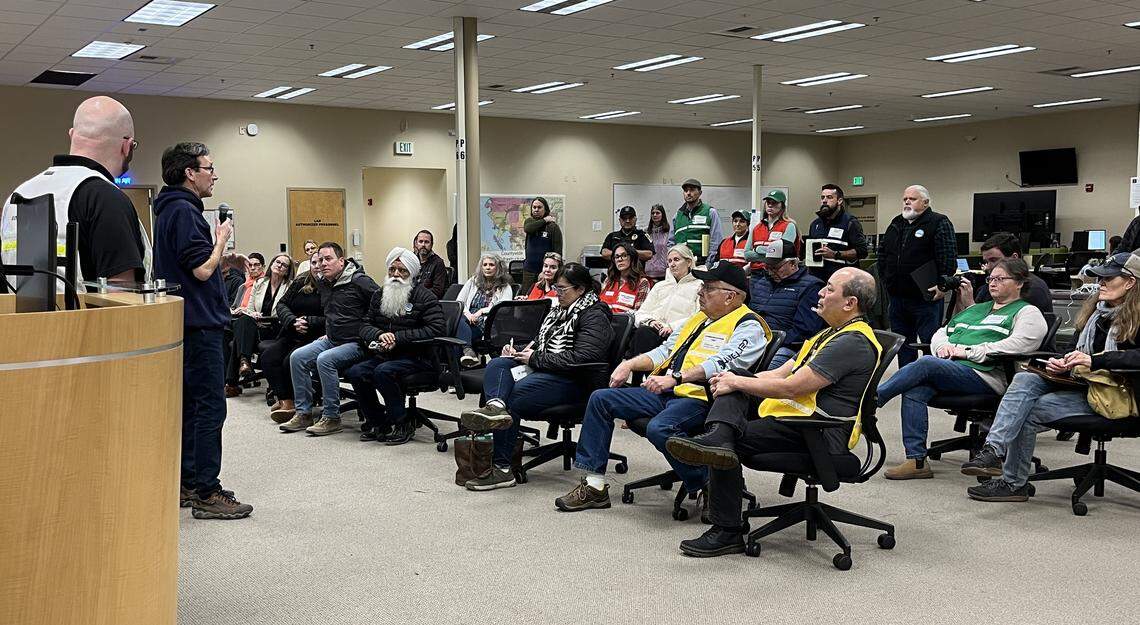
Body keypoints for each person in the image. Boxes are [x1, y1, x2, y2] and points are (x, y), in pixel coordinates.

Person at [666, 267, 881, 557]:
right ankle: (717, 435)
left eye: (829, 289)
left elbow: (792, 388)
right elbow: (779, 373)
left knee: (730, 442)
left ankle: (727, 530)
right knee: (739, 379)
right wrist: (736, 379)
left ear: (849, 303)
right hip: (795, 422)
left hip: (818, 432)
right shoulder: (830, 334)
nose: (820, 292)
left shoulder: (851, 342)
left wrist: (736, 381)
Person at [553, 261, 769, 511]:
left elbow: (722, 362)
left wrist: (676, 378)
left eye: (708, 288)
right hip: (669, 392)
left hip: (704, 399)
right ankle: (594, 486)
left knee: (659, 428)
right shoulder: (699, 319)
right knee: (602, 398)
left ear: (731, 296)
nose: (700, 293)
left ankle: (712, 482)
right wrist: (629, 365)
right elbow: (665, 351)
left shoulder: (749, 325)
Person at [961, 252, 1140, 502]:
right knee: (1025, 379)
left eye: (1109, 279)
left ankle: (1013, 482)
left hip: (1121, 396)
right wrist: (1064, 361)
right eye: (1100, 279)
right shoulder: (1096, 314)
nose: (1101, 284)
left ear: (1130, 282)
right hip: (1087, 387)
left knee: (1026, 409)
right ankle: (992, 450)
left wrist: (1095, 361)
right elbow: (1079, 351)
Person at [152, 141, 252, 520]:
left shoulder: (168, 210)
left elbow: (190, 266)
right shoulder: (187, 212)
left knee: (192, 409)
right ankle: (207, 492)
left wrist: (222, 259)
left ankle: (189, 482)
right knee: (210, 409)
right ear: (189, 173)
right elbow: (200, 271)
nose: (214, 175)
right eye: (209, 168)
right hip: (200, 328)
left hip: (184, 324)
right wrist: (222, 238)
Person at [876, 258, 1046, 480]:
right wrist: (944, 348)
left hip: (986, 376)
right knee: (915, 389)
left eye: (1000, 279)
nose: (992, 283)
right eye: (990, 279)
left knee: (926, 363)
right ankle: (916, 460)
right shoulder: (976, 309)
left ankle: (872, 399)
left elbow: (1021, 344)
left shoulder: (1027, 312)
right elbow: (941, 333)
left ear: (1020, 283)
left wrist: (966, 352)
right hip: (952, 370)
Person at [458, 263, 615, 491]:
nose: (557, 294)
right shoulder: (560, 311)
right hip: (548, 370)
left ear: (580, 289)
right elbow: (542, 345)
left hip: (576, 381)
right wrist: (520, 351)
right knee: (499, 364)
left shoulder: (594, 315)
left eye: (562, 289)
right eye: (555, 289)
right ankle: (495, 408)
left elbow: (582, 358)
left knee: (513, 395)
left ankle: (502, 469)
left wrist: (534, 359)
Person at [2, 95, 147, 286]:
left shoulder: (18, 195)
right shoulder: (107, 199)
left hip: (19, 316)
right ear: (127, 146)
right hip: (82, 315)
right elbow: (121, 292)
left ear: (72, 134)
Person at [344, 247, 446, 445]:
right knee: (356, 372)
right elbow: (365, 324)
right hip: (385, 355)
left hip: (418, 357)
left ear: (412, 274)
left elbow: (436, 330)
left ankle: (402, 422)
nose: (396, 275)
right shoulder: (380, 294)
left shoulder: (425, 297)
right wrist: (380, 334)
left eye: (402, 271)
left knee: (383, 371)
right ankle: (378, 422)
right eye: (392, 270)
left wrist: (397, 338)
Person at [279, 241, 379, 436]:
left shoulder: (360, 281)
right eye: (320, 259)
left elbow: (381, 304)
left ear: (341, 261)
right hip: (333, 338)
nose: (323, 263)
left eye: (328, 259)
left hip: (357, 342)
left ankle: (332, 417)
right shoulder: (324, 283)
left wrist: (371, 331)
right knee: (297, 357)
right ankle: (304, 413)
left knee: (325, 360)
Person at [878, 184, 956, 367]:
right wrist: (886, 280)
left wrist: (943, 285)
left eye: (912, 199)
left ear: (926, 202)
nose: (906, 202)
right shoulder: (896, 223)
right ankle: (907, 382)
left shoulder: (938, 222)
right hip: (897, 297)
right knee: (902, 346)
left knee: (930, 343)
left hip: (925, 297)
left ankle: (932, 381)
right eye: (905, 198)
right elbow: (883, 255)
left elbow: (948, 259)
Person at [265, 253, 326, 423]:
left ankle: (297, 404)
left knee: (288, 361)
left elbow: (333, 317)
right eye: (313, 262)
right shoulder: (301, 281)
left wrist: (308, 321)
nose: (317, 266)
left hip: (315, 335)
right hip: (292, 331)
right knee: (268, 357)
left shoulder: (331, 287)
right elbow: (282, 304)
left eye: (320, 262)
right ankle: (286, 400)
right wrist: (292, 321)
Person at [225, 253, 293, 397]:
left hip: (276, 328)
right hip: (256, 327)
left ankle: (233, 381)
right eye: (277, 262)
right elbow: (250, 308)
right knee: (243, 320)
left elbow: (285, 311)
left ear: (287, 270)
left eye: (284, 265)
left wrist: (265, 317)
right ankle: (244, 362)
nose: (279, 265)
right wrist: (252, 314)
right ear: (272, 264)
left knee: (238, 338)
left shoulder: (289, 286)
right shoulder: (259, 283)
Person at [749, 240, 825, 369]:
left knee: (765, 374)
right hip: (753, 340)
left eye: (775, 267)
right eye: (767, 266)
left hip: (785, 346)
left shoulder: (811, 287)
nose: (770, 271)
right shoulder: (762, 283)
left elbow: (805, 331)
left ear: (793, 264)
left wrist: (769, 341)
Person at [952, 232, 1053, 316]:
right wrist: (960, 300)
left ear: (1014, 258)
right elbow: (960, 324)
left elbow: (999, 327)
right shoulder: (987, 288)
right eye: (986, 262)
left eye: (994, 260)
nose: (988, 267)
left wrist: (970, 305)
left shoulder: (1032, 288)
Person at [631, 244, 702, 354]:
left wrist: (673, 327)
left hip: (680, 333)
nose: (672, 264)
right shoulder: (660, 286)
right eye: (669, 261)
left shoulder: (700, 285)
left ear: (688, 262)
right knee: (642, 332)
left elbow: (699, 316)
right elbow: (641, 313)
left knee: (644, 336)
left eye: (676, 260)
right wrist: (650, 321)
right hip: (654, 331)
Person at [456, 253, 514, 367]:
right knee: (458, 321)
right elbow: (460, 302)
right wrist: (468, 314)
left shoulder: (505, 286)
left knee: (455, 336)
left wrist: (482, 311)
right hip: (467, 319)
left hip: (486, 323)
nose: (487, 267)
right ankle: (468, 352)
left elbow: (504, 307)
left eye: (491, 265)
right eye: (485, 265)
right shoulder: (473, 281)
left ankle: (461, 368)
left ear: (498, 268)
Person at [807, 183, 868, 283]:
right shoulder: (815, 224)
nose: (824, 201)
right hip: (817, 279)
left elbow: (862, 251)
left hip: (841, 281)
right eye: (822, 197)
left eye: (829, 197)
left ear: (839, 201)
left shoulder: (850, 222)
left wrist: (835, 254)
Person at [745, 189, 800, 275]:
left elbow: (783, 253)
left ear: (782, 206)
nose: (770, 205)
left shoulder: (789, 226)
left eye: (774, 202)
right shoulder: (756, 228)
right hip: (756, 275)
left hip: (778, 274)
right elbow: (747, 255)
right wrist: (771, 253)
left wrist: (758, 249)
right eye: (768, 202)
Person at [671, 179, 722, 263]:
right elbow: (671, 242)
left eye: (692, 190)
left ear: (700, 193)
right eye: (686, 190)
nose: (688, 193)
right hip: (681, 265)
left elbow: (716, 241)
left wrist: (708, 264)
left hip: (702, 264)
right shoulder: (677, 216)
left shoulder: (710, 212)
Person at [521, 197, 562, 292]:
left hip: (546, 270)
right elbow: (528, 229)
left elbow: (557, 252)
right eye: (534, 207)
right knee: (527, 297)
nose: (536, 210)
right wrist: (545, 220)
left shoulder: (552, 227)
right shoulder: (529, 222)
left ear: (545, 209)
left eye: (539, 207)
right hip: (529, 270)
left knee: (544, 297)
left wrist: (546, 271)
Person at [599, 242, 651, 314]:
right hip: (600, 321)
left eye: (624, 255)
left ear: (632, 258)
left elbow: (639, 314)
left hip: (623, 323)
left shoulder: (642, 282)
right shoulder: (609, 280)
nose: (620, 259)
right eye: (616, 257)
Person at [412, 229, 449, 299]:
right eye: (420, 241)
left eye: (426, 242)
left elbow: (437, 291)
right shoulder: (411, 260)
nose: (423, 245)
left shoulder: (438, 263)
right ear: (416, 243)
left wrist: (417, 295)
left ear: (431, 244)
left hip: (428, 302)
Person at [644, 204, 671, 280]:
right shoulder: (646, 232)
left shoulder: (668, 231)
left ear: (663, 215)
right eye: (653, 213)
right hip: (649, 272)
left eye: (657, 213)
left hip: (664, 271)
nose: (655, 215)